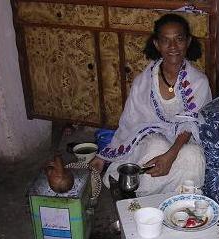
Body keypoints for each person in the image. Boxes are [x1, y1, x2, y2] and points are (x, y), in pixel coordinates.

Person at [90, 14, 212, 196]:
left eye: (179, 39)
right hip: (149, 139)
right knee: (156, 145)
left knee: (192, 156)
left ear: (187, 42)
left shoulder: (199, 81)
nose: (173, 47)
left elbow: (191, 122)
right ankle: (142, 202)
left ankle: (178, 206)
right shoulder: (143, 81)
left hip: (186, 140)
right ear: (157, 44)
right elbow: (129, 122)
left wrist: (171, 155)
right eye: (165, 41)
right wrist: (102, 156)